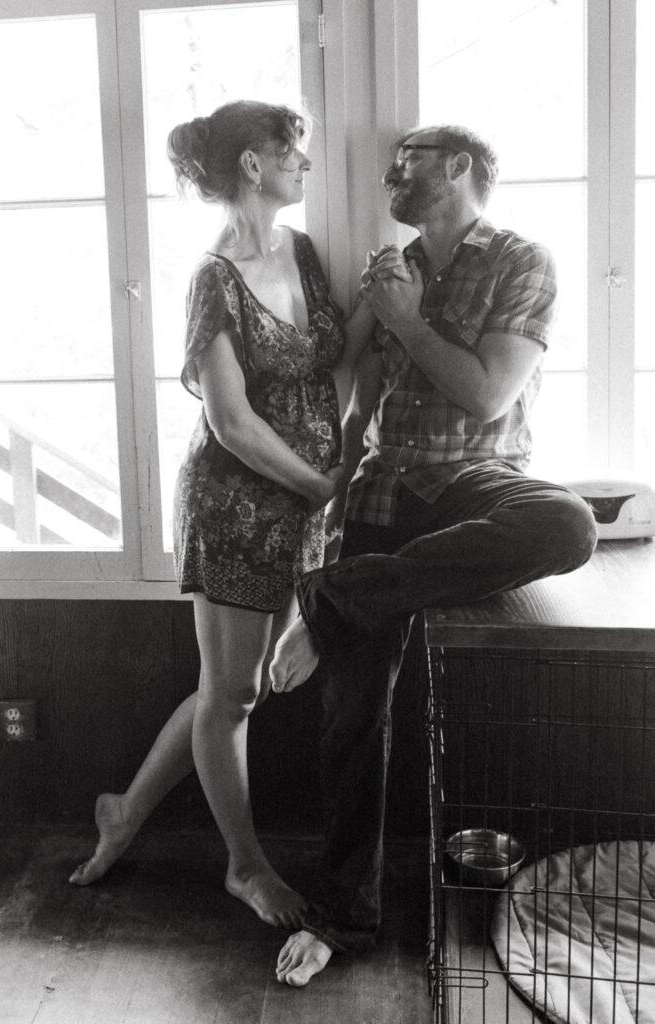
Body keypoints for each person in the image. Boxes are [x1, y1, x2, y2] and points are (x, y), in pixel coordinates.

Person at [269, 124, 598, 984]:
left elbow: (490, 396)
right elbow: (360, 406)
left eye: (405, 164)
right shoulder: (391, 268)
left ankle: (333, 594)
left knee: (567, 525)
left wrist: (408, 323)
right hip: (381, 495)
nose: (390, 177)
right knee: (351, 717)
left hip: (475, 483)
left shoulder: (523, 262)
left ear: (457, 167)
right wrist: (333, 496)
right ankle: (344, 916)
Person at [69, 99, 376, 930]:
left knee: (230, 692)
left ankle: (124, 812)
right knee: (235, 695)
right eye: (293, 151)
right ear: (252, 161)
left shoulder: (302, 252)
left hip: (300, 508)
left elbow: (326, 359)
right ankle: (244, 868)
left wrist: (382, 307)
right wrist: (321, 486)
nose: (304, 164)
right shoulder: (215, 279)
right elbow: (230, 422)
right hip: (235, 508)